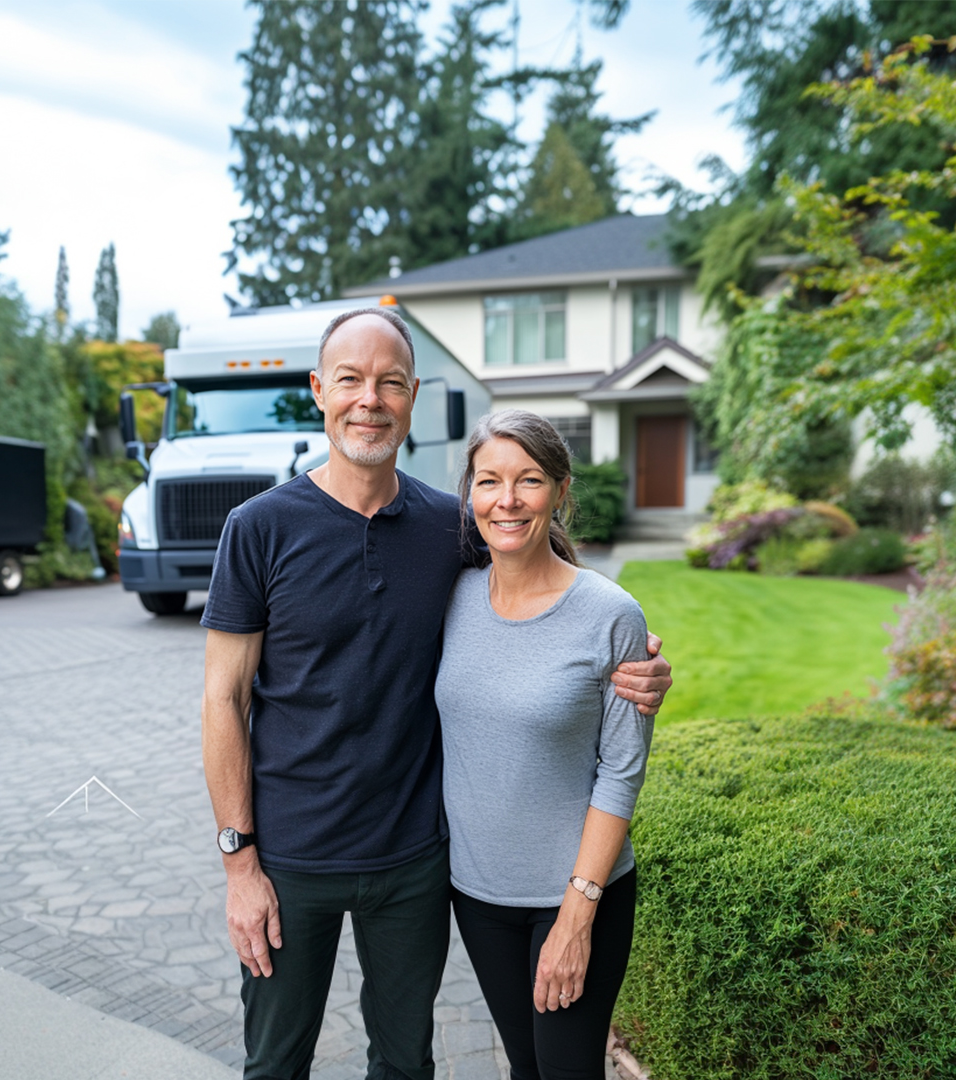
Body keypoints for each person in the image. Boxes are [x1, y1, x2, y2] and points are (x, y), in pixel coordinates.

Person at [199, 308, 673, 1080]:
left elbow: (538, 603)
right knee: (275, 1065)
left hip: (415, 863)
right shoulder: (258, 528)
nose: (369, 399)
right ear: (319, 390)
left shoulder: (448, 530)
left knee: (405, 1065)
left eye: (389, 382)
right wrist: (238, 864)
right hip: (289, 862)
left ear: (413, 397)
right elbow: (223, 700)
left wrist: (640, 660)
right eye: (349, 380)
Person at [436, 409, 654, 1080]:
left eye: (528, 480)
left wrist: (576, 916)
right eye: (488, 481)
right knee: (525, 1068)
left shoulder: (611, 614)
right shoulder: (450, 596)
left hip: (579, 894)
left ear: (560, 490)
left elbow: (621, 772)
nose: (507, 500)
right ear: (468, 492)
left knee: (567, 1071)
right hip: (477, 896)